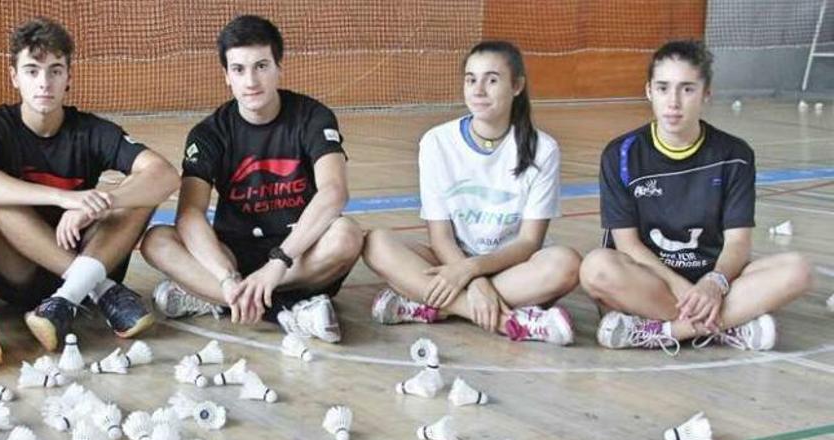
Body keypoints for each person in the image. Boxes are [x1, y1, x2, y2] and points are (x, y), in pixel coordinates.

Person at [0, 17, 179, 351]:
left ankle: (63, 301)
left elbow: (165, 176)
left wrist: (104, 199)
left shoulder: (90, 130)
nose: (44, 82)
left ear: (68, 77)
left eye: (55, 71)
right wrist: (64, 199)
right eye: (32, 71)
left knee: (140, 192)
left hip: (85, 247)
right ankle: (100, 290)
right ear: (14, 77)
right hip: (22, 272)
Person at [138, 14, 363, 343]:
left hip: (299, 255)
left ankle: (218, 299)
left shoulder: (312, 116)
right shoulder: (208, 133)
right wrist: (226, 276)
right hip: (234, 253)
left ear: (278, 68)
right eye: (239, 69)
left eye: (261, 66)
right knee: (157, 240)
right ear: (226, 76)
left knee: (347, 234)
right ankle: (285, 310)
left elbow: (333, 193)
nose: (251, 81)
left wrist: (279, 263)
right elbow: (189, 214)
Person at [580, 40, 812, 353]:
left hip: (713, 277)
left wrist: (713, 284)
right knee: (596, 268)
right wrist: (686, 289)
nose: (673, 102)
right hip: (650, 279)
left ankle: (664, 330)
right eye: (663, 88)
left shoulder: (735, 154)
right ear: (649, 91)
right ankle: (722, 327)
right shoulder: (621, 154)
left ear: (706, 94)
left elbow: (738, 242)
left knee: (797, 270)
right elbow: (627, 245)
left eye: (687, 89)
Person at [362, 41, 578, 345]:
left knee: (565, 264)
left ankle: (429, 305)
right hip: (450, 259)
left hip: (509, 267)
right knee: (375, 243)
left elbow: (530, 242)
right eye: (470, 79)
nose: (478, 90)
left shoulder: (543, 149)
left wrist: (471, 273)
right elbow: (440, 237)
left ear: (517, 86)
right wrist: (473, 282)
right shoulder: (437, 142)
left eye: (492, 80)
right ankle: (508, 321)